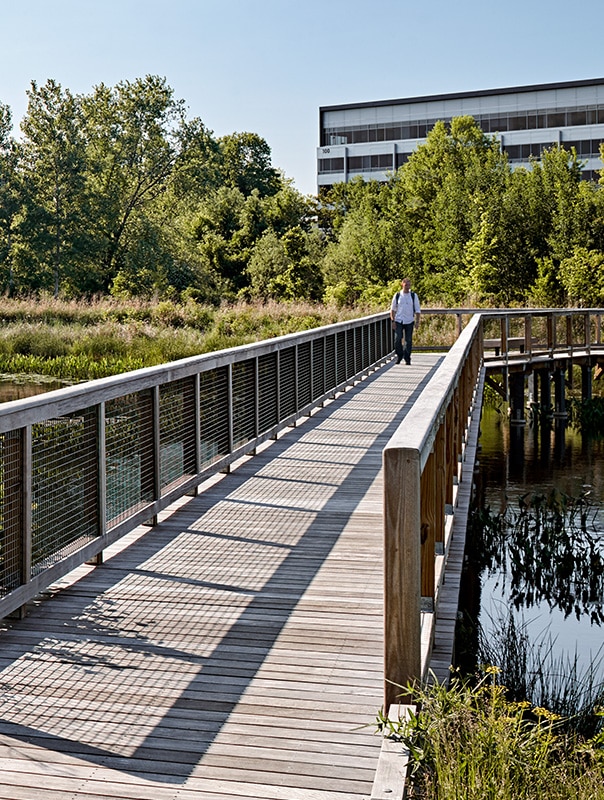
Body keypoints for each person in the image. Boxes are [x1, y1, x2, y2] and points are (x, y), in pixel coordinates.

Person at [390, 278, 421, 365]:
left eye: (409, 284)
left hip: (409, 320)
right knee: (397, 339)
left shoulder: (413, 296)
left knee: (408, 340)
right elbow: (392, 309)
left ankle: (407, 358)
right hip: (399, 320)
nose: (407, 285)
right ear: (402, 284)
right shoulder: (397, 295)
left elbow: (417, 310)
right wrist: (393, 320)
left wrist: (417, 321)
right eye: (405, 284)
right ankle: (399, 355)